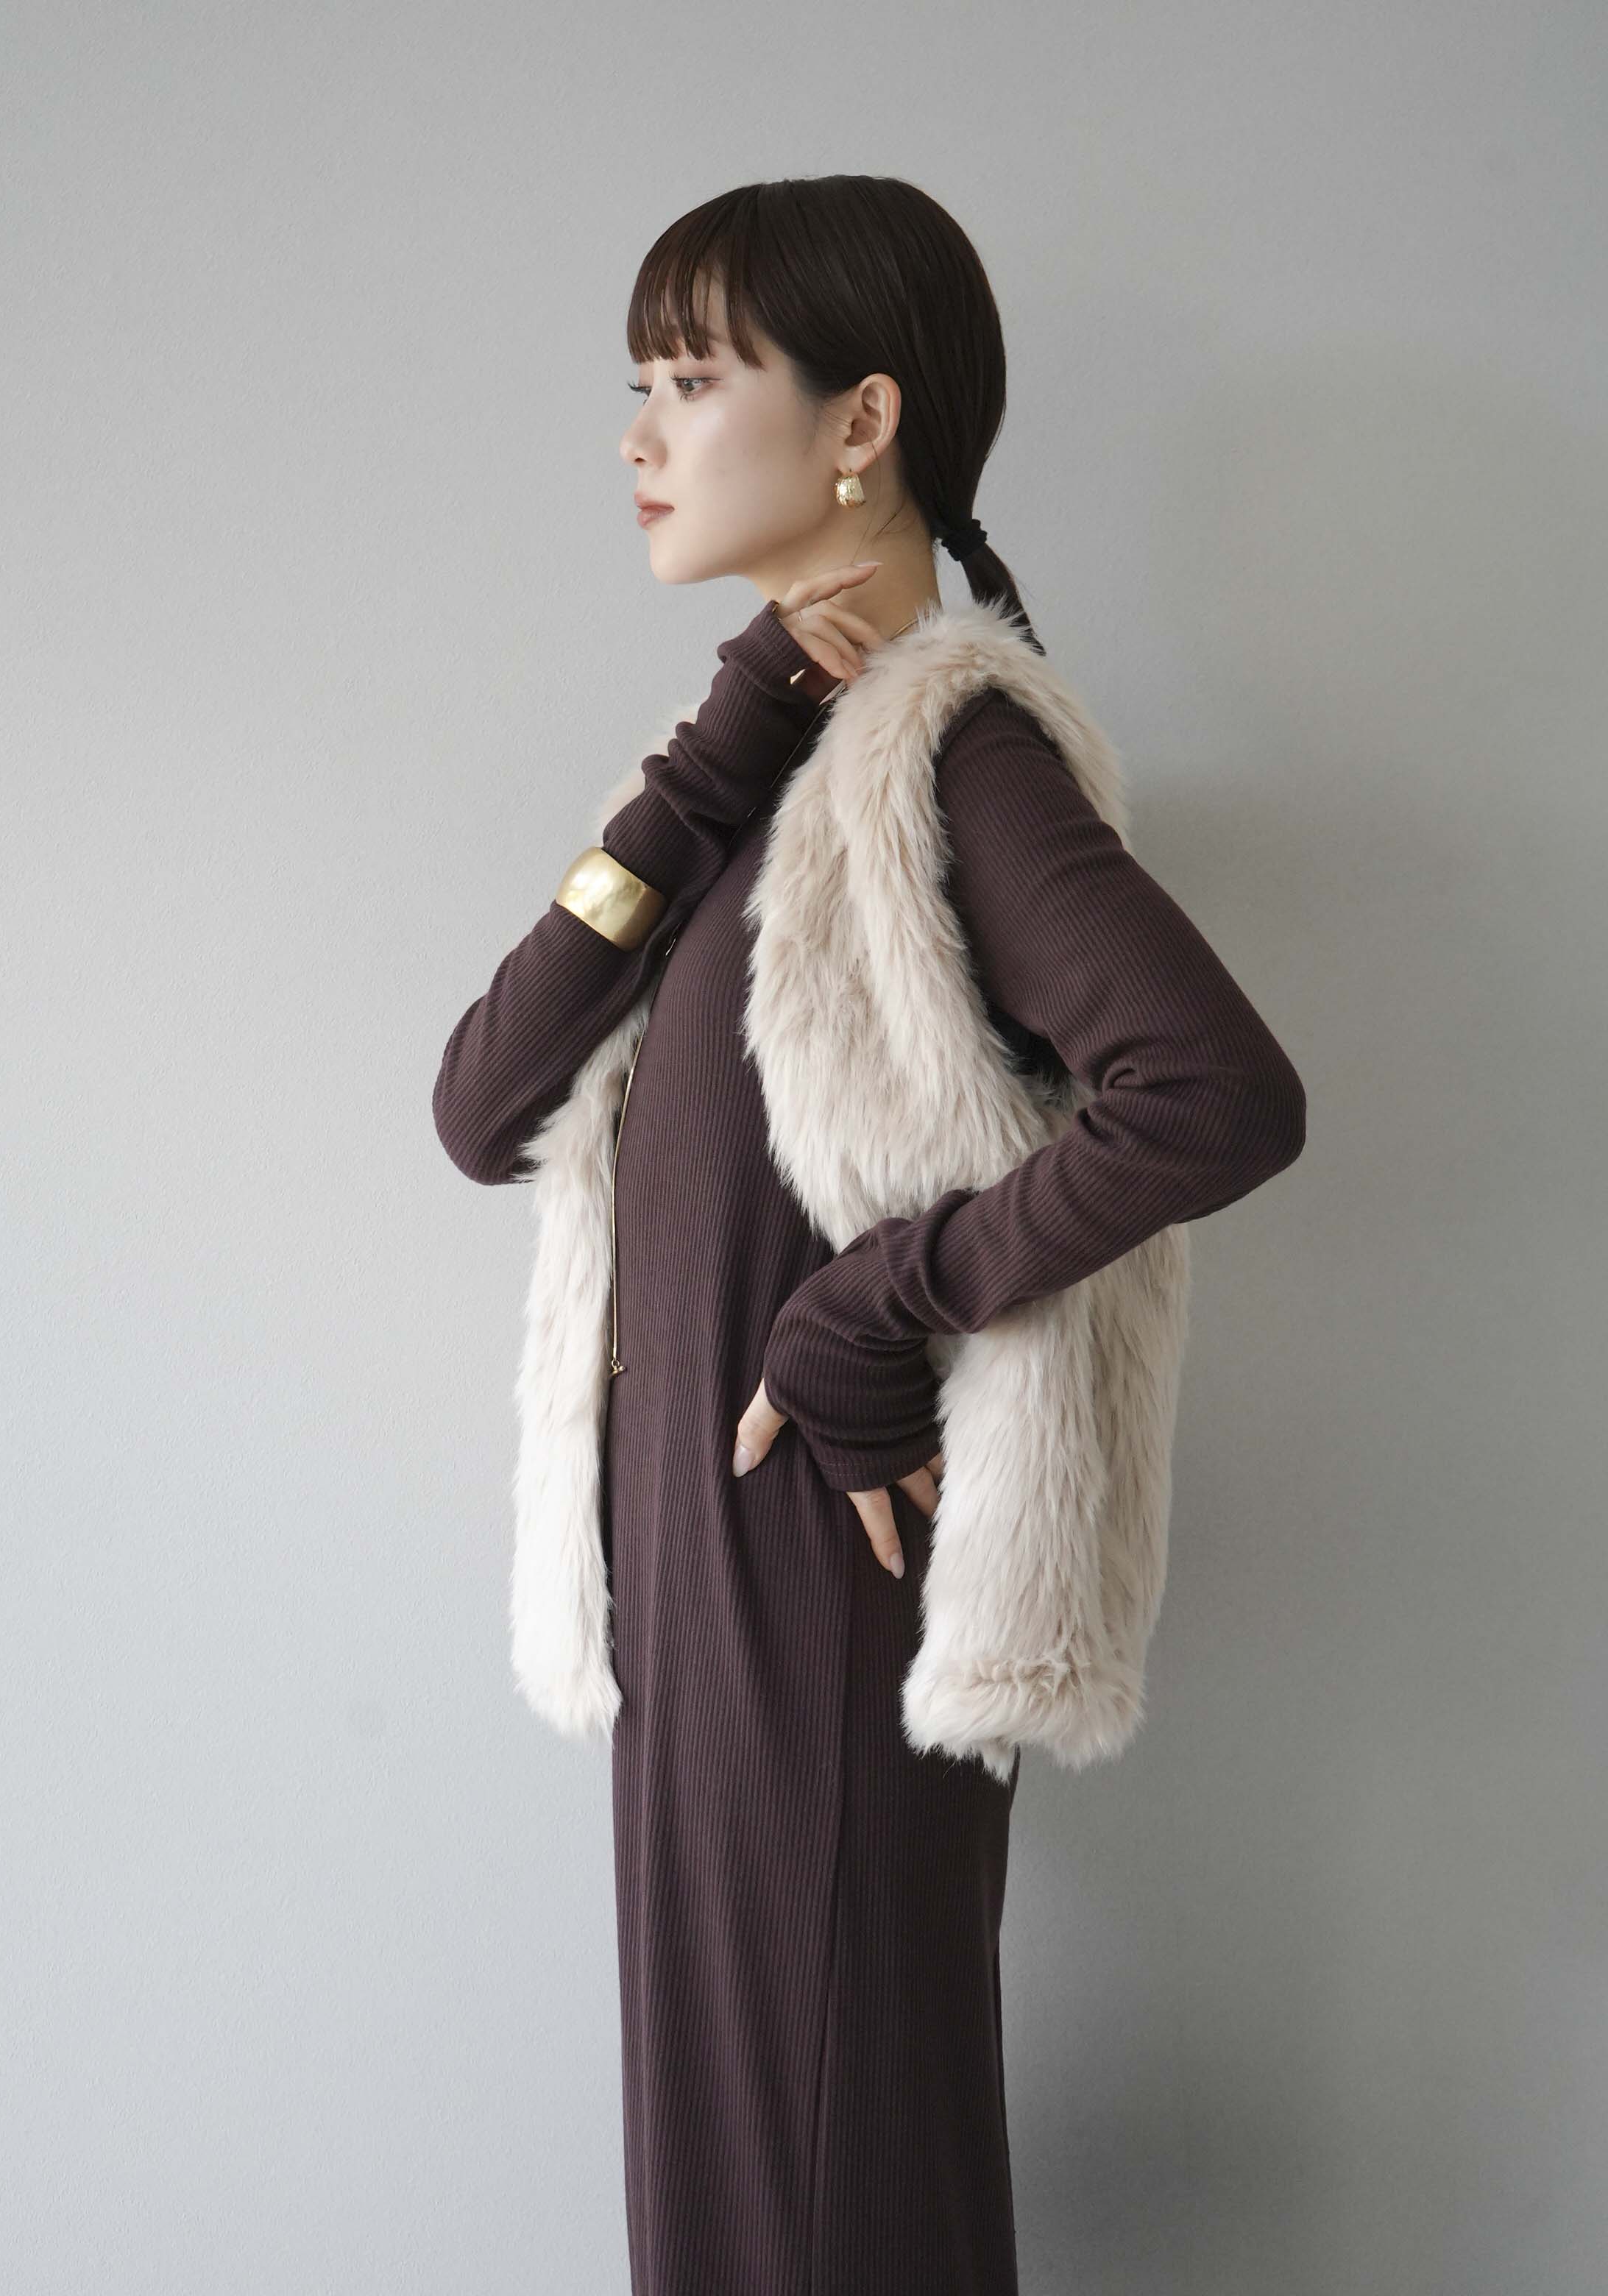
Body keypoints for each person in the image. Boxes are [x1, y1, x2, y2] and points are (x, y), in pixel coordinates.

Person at [433, 174, 1306, 2296]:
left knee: (820, 2200)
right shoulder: (762, 766)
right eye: (639, 384)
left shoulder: (952, 749)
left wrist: (875, 1311)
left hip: (817, 1599)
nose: (639, 434)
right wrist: (715, 745)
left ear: (861, 423)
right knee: (752, 2198)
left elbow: (1216, 1091)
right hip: (697, 1599)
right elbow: (484, 1102)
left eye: (689, 379)